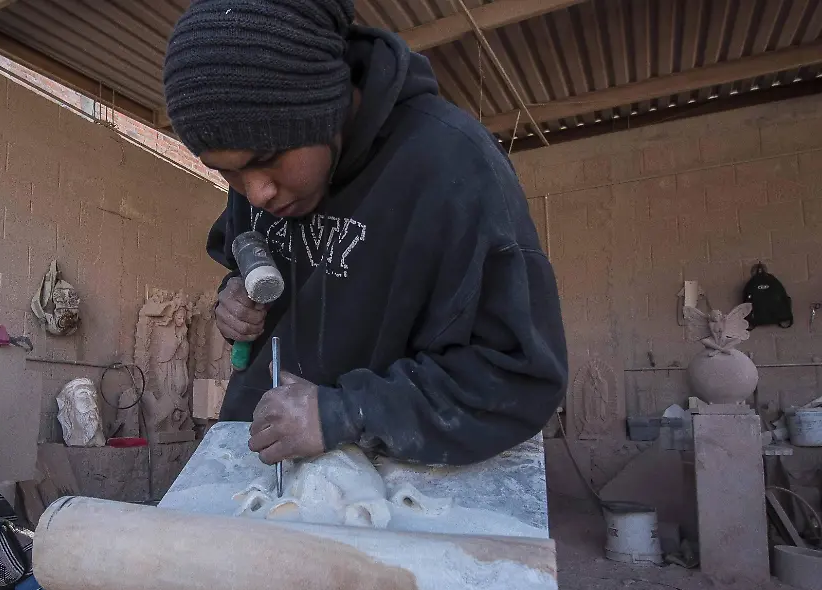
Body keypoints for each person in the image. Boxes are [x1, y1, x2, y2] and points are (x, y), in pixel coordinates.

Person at [162, 0, 568, 466]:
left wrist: (346, 412)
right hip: (262, 460)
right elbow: (246, 256)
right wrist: (233, 299)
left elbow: (517, 377)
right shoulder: (267, 184)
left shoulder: (454, 169)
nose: (256, 193)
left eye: (266, 158)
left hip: (398, 492)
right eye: (227, 173)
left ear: (325, 107)